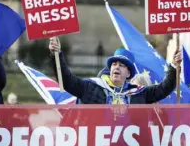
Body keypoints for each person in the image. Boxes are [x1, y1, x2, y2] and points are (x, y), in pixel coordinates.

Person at [49, 36, 181, 104]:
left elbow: (163, 89)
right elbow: (66, 81)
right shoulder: (91, 86)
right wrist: (57, 54)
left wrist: (174, 67)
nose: (117, 67)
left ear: (128, 73)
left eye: (122, 65)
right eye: (114, 64)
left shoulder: (138, 93)